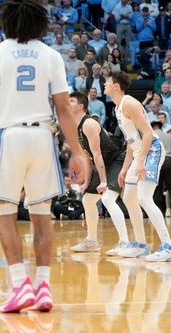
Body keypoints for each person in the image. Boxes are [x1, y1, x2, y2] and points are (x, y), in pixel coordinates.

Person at [0, 0, 86, 313]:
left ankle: (19, 285)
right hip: (43, 136)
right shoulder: (51, 55)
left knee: (5, 212)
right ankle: (43, 286)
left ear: (7, 20)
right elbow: (63, 108)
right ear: (39, 20)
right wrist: (76, 151)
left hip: (10, 135)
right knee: (41, 216)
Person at [105, 71, 171, 262]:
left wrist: (141, 161)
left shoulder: (129, 103)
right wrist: (124, 167)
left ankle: (168, 246)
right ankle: (140, 244)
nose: (103, 85)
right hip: (138, 152)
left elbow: (147, 133)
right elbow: (132, 141)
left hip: (151, 150)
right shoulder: (117, 108)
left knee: (144, 198)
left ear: (115, 86)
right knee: (128, 197)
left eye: (107, 82)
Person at [68, 91, 131, 256]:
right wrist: (86, 182)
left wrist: (103, 181)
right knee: (88, 200)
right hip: (102, 164)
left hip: (116, 161)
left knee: (108, 198)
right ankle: (91, 241)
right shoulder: (75, 127)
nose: (67, 103)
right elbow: (86, 158)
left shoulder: (88, 123)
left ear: (81, 106)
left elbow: (97, 154)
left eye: (71, 101)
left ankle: (125, 243)